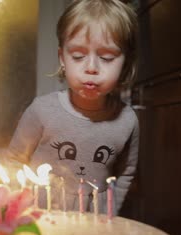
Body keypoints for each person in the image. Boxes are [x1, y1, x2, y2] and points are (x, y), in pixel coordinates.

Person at [7, 0, 139, 214]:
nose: (91, 68)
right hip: (41, 217)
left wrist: (111, 212)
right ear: (63, 58)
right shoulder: (41, 110)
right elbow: (15, 160)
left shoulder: (127, 120)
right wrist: (21, 205)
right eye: (78, 56)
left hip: (95, 225)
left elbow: (127, 173)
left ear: (125, 63)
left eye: (106, 58)